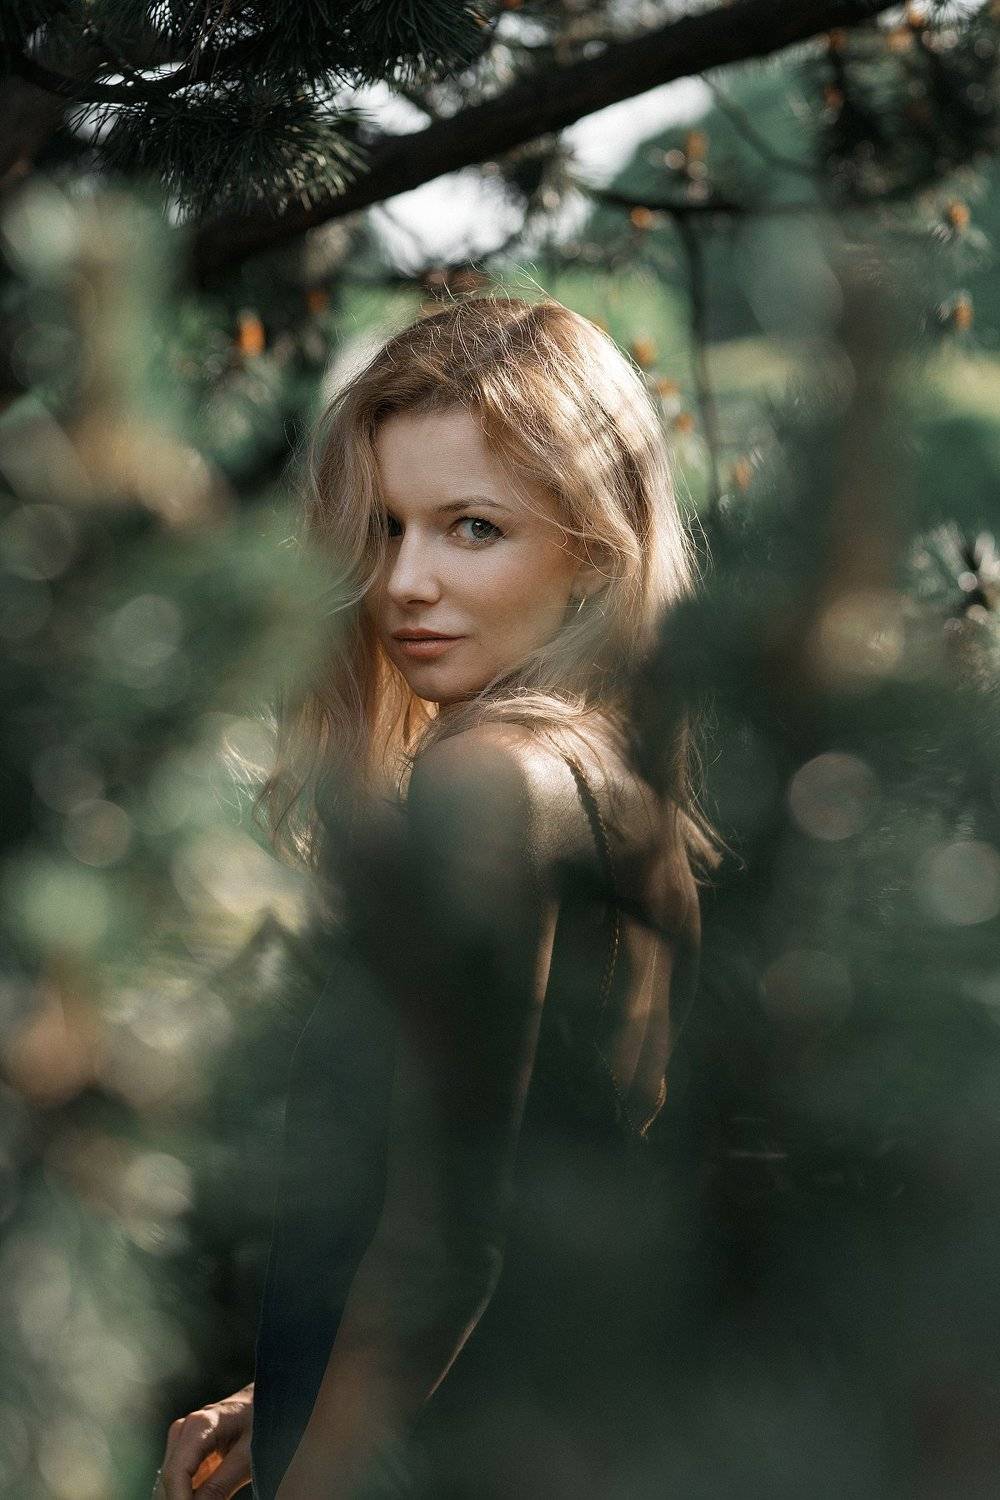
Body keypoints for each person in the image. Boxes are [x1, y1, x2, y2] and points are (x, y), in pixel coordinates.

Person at [153, 294, 721, 1500]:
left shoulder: (488, 779)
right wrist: (288, 1400)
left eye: (472, 528)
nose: (405, 581)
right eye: (385, 527)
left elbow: (450, 1237)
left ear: (593, 547)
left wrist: (322, 1466)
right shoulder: (615, 782)